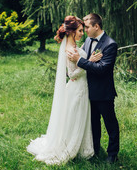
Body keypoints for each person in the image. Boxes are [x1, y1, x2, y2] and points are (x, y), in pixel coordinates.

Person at [26, 16, 102, 165]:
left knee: (80, 118)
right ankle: (70, 148)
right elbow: (72, 74)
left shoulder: (74, 47)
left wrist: (87, 60)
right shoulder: (69, 50)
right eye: (80, 30)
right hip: (77, 88)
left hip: (82, 88)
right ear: (72, 32)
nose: (82, 33)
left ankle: (82, 147)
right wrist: (89, 62)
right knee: (75, 119)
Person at [67, 13, 120, 164]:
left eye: (88, 27)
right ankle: (94, 150)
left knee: (110, 124)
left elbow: (102, 69)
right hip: (88, 91)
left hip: (104, 92)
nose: (85, 30)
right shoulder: (89, 40)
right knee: (93, 124)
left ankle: (112, 154)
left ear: (96, 26)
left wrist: (80, 60)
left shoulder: (110, 44)